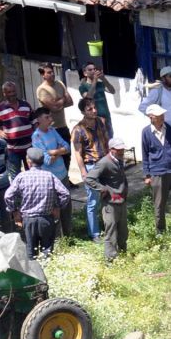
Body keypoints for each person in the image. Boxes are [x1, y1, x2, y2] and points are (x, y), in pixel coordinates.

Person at [4, 147, 69, 257]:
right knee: (47, 252)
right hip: (46, 219)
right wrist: (57, 207)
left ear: (28, 161)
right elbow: (65, 194)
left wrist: (14, 211)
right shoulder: (49, 176)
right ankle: (47, 271)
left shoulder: (22, 177)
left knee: (31, 252)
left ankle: (33, 272)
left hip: (29, 220)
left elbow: (8, 196)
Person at [140, 104, 171, 236]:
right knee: (159, 203)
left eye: (162, 114)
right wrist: (147, 174)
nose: (162, 117)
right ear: (151, 117)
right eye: (159, 115)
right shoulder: (146, 133)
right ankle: (160, 230)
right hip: (157, 171)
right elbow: (145, 154)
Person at [70, 96, 112, 241]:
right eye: (90, 109)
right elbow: (77, 153)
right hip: (91, 165)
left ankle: (109, 226)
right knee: (93, 201)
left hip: (105, 162)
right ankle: (94, 233)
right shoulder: (78, 129)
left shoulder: (100, 122)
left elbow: (106, 142)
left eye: (94, 108)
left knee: (108, 195)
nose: (94, 111)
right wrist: (83, 171)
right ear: (83, 111)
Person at [30, 109, 74, 237]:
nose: (50, 119)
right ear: (39, 120)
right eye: (47, 117)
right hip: (50, 178)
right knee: (54, 209)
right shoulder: (36, 136)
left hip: (63, 175)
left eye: (50, 116)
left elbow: (67, 147)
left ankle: (69, 235)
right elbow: (46, 160)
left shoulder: (53, 131)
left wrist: (52, 152)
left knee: (66, 206)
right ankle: (57, 240)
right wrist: (59, 152)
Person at [86, 136, 130, 262]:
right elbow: (89, 179)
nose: (122, 151)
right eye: (119, 149)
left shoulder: (119, 160)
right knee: (111, 232)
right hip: (110, 203)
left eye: (122, 149)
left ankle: (123, 254)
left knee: (123, 231)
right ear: (111, 149)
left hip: (121, 200)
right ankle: (110, 260)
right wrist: (102, 189)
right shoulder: (104, 162)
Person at [0, 81, 34, 173]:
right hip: (12, 149)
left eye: (13, 91)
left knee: (32, 172)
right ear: (4, 93)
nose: (12, 94)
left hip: (29, 146)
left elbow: (34, 120)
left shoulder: (25, 104)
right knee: (15, 174)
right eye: (9, 92)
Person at [139, 64, 171, 134]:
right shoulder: (157, 92)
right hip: (165, 131)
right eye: (170, 76)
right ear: (163, 79)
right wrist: (154, 117)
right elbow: (142, 107)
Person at [35, 63, 73, 140]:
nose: (52, 74)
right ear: (43, 75)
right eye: (49, 72)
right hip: (51, 128)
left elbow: (70, 102)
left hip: (63, 126)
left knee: (68, 150)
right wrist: (63, 98)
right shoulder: (42, 89)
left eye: (52, 72)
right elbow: (54, 108)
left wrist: (57, 102)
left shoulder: (60, 83)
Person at [79, 63, 116, 130]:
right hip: (94, 119)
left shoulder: (100, 84)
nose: (93, 71)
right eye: (90, 70)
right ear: (85, 73)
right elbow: (88, 97)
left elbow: (113, 91)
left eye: (94, 69)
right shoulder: (83, 87)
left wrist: (103, 79)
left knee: (109, 138)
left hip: (106, 117)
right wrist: (95, 81)